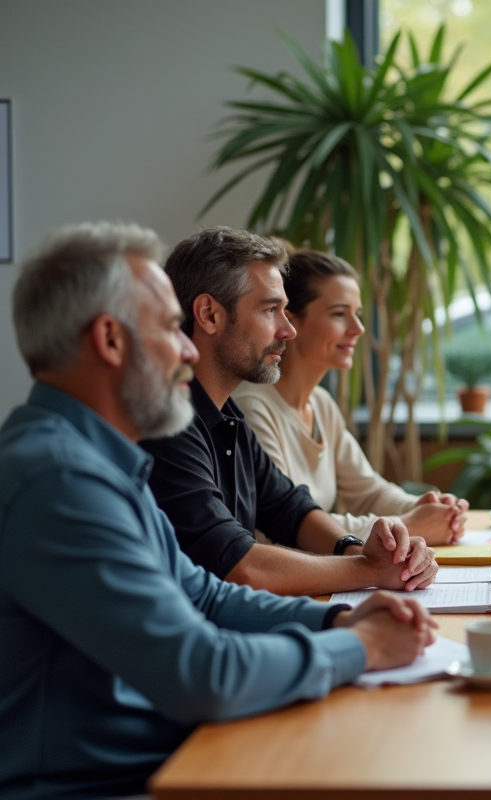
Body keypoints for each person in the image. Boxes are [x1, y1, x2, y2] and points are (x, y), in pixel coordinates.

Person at [0, 223, 436, 799]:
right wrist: (363, 647)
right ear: (110, 339)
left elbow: (205, 597)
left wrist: (337, 621)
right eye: (168, 327)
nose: (187, 350)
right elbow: (200, 672)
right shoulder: (59, 480)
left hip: (167, 759)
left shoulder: (101, 459)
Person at [140, 227, 436, 596]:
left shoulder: (227, 414)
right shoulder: (166, 423)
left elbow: (289, 509)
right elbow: (238, 567)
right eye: (270, 310)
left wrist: (355, 549)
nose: (288, 330)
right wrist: (369, 568)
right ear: (209, 315)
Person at [232, 249, 468, 546]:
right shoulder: (251, 407)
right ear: (289, 323)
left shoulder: (321, 404)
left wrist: (426, 507)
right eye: (339, 314)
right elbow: (285, 527)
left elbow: (368, 491)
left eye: (358, 314)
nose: (358, 329)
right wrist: (407, 525)